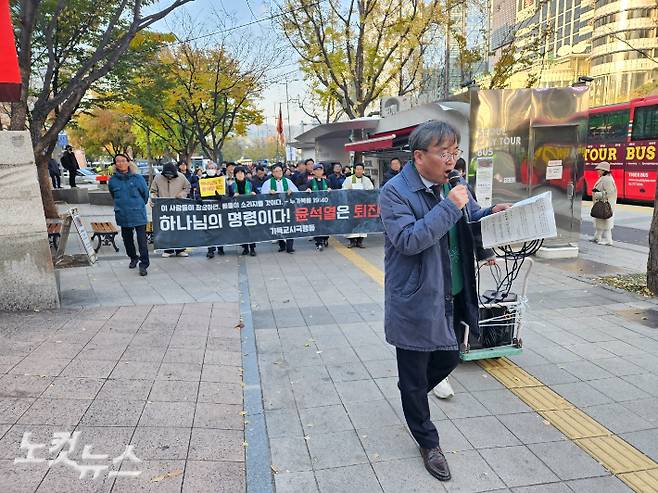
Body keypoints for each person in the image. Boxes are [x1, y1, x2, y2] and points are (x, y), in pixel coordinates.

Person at [379, 120, 510, 483]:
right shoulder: (395, 193)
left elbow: (470, 219)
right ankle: (427, 440)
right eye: (443, 152)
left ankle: (413, 393)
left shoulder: (455, 185)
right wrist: (450, 206)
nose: (451, 159)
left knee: (451, 356)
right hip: (417, 298)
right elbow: (408, 240)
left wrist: (492, 214)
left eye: (455, 151)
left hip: (453, 291)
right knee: (415, 373)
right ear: (419, 156)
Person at [108, 154, 150, 276]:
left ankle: (144, 264)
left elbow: (145, 195)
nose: (120, 163)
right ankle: (133, 257)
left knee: (142, 241)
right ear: (115, 164)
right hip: (123, 214)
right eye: (117, 162)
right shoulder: (113, 181)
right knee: (127, 240)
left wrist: (139, 204)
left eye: (123, 161)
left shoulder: (138, 178)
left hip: (138, 213)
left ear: (128, 162)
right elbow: (113, 195)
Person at [150, 162, 191, 258]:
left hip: (178, 206)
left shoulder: (181, 177)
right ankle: (168, 249)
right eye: (167, 175)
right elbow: (153, 191)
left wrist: (182, 194)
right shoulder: (158, 178)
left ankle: (180, 249)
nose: (169, 177)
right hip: (164, 208)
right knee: (166, 228)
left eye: (171, 175)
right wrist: (154, 199)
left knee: (179, 227)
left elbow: (187, 187)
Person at [261, 163, 298, 253]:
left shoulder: (288, 181)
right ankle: (282, 245)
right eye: (276, 171)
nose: (278, 173)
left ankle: (290, 247)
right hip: (275, 208)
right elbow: (262, 194)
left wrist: (291, 191)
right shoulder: (268, 182)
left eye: (280, 171)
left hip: (287, 207)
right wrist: (269, 192)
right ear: (272, 173)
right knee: (278, 226)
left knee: (289, 226)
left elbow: (297, 191)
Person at [342, 162, 374, 248]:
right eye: (357, 169)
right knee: (352, 223)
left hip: (362, 205)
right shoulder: (349, 179)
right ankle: (352, 241)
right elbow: (344, 190)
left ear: (363, 170)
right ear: (354, 170)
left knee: (362, 223)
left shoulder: (366, 180)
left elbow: (370, 190)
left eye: (361, 169)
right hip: (352, 205)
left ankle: (360, 241)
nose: (359, 171)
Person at [198, 162, 225, 258]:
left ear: (216, 169)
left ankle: (221, 248)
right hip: (207, 208)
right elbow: (198, 194)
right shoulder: (202, 181)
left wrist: (220, 196)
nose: (211, 169)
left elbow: (225, 196)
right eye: (209, 168)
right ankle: (210, 249)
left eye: (213, 168)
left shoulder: (220, 180)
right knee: (208, 229)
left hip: (218, 208)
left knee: (220, 228)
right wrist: (199, 199)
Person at [231, 166, 258, 256]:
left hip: (249, 210)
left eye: (242, 173)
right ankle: (245, 248)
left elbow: (257, 193)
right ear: (235, 175)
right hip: (237, 211)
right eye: (238, 173)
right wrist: (233, 195)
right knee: (242, 230)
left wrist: (255, 193)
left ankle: (252, 248)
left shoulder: (250, 184)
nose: (240, 175)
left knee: (251, 229)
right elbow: (227, 197)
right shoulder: (232, 185)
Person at [591, 161, 617, 245]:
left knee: (606, 223)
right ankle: (597, 237)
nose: (597, 171)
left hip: (605, 205)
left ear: (603, 170)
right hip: (602, 204)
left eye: (599, 169)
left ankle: (608, 240)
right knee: (600, 221)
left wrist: (597, 194)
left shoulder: (607, 179)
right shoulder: (605, 178)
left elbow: (610, 193)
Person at [307, 163, 331, 251]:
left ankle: (325, 239)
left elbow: (334, 192)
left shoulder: (327, 181)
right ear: (313, 172)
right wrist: (308, 190)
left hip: (326, 207)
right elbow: (306, 191)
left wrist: (330, 190)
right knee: (317, 225)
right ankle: (318, 242)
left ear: (323, 171)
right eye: (316, 170)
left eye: (320, 170)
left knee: (326, 224)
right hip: (315, 207)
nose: (318, 171)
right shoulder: (310, 182)